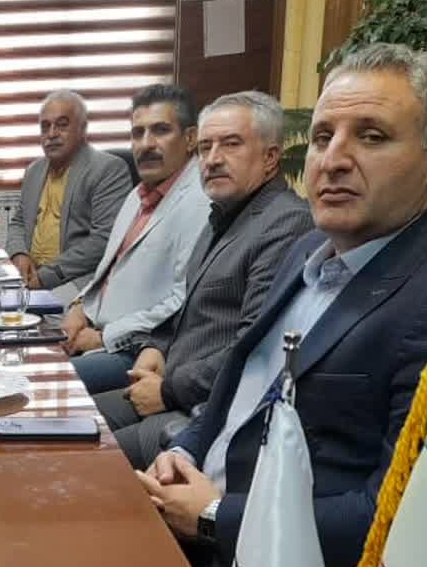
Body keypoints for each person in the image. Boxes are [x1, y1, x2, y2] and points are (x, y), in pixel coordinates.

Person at [135, 45, 427, 567]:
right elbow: (242, 388)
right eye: (323, 137)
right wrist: (182, 451)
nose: (333, 160)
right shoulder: (308, 249)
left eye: (371, 137)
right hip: (205, 516)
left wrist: (213, 515)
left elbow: (399, 520)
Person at [93, 91, 313, 465]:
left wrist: (168, 390)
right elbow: (186, 306)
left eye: (231, 144)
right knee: (61, 421)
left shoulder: (285, 223)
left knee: (77, 454)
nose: (212, 159)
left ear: (270, 157)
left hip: (204, 414)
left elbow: (254, 351)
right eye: (206, 147)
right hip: (166, 389)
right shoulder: (222, 215)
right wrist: (155, 347)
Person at [62, 84, 207, 389]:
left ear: (190, 138)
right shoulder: (138, 194)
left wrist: (103, 337)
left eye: (160, 130)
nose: (145, 144)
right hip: (93, 329)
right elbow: (108, 270)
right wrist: (79, 306)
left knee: (48, 382)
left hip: (137, 350)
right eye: (137, 133)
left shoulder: (201, 201)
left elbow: (182, 300)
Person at [6, 90, 135, 295]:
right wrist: (19, 254)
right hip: (31, 276)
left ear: (83, 129)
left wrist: (46, 276)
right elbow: (19, 222)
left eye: (62, 125)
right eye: (45, 126)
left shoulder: (108, 169)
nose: (51, 134)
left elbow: (104, 240)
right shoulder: (34, 170)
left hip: (76, 279)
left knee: (33, 311)